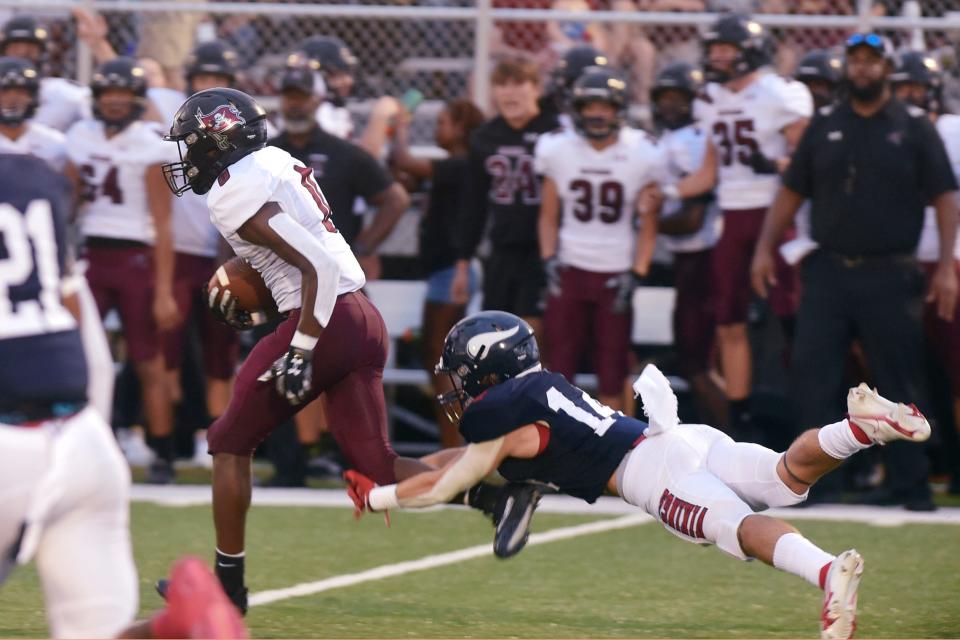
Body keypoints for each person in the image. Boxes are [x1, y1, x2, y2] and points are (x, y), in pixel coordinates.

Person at [160, 87, 538, 613]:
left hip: (327, 318)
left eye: (193, 144)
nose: (186, 157)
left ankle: (227, 588)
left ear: (219, 141)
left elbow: (317, 265)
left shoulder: (234, 189)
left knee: (228, 441)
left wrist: (300, 348)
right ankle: (499, 490)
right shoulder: (271, 162)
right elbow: (304, 262)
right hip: (360, 316)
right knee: (379, 471)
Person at [343, 310, 934, 640]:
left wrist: (381, 497)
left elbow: (449, 483)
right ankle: (859, 428)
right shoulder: (537, 396)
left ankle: (830, 572)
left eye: (461, 373)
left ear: (486, 370)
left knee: (739, 528)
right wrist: (398, 481)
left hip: (653, 474)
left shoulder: (506, 420)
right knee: (784, 476)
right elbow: (456, 467)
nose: (457, 387)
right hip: (678, 440)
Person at [0, 152, 246, 640]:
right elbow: (81, 322)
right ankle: (174, 628)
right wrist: (95, 427)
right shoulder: (29, 176)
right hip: (81, 440)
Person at [751, 33, 959, 511]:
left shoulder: (912, 126)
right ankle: (811, 482)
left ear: (886, 68)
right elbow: (791, 190)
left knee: (898, 381)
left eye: (872, 61)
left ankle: (911, 485)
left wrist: (946, 265)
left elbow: (946, 196)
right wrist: (764, 246)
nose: (862, 69)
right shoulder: (825, 124)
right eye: (855, 61)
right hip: (829, 269)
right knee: (813, 374)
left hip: (891, 270)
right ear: (846, 67)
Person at [659, 13, 812, 440]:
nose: (718, 57)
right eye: (713, 50)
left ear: (751, 51)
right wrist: (666, 193)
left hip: (777, 215)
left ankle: (810, 417)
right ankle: (742, 424)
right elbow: (709, 173)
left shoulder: (781, 94)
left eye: (726, 48)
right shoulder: (710, 98)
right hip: (731, 217)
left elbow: (809, 163)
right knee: (728, 323)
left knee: (792, 322)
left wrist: (776, 164)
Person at [66, 57, 180, 484]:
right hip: (91, 255)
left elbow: (163, 222)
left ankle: (163, 454)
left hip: (136, 258)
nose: (115, 101)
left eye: (123, 93)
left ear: (137, 98)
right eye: (107, 93)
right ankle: (85, 447)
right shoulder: (79, 134)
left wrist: (165, 289)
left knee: (149, 362)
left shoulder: (150, 141)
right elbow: (71, 201)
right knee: (79, 357)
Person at [537, 66, 662, 411]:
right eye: (589, 106)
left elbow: (650, 221)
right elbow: (548, 214)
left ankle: (623, 453)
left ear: (619, 109)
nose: (597, 114)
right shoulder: (558, 148)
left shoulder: (642, 151)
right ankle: (560, 455)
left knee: (614, 372)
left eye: (604, 106)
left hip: (615, 272)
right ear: (576, 110)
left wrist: (637, 273)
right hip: (571, 268)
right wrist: (549, 259)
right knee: (559, 374)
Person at [389, 97, 486, 447]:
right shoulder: (450, 166)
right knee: (437, 358)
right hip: (441, 271)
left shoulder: (461, 164)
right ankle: (454, 442)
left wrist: (401, 127)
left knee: (443, 359)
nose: (438, 129)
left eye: (444, 122)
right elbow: (402, 174)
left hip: (452, 271)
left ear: (461, 129)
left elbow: (404, 160)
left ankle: (456, 443)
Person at [451, 56, 561, 340]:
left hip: (547, 250)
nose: (509, 92)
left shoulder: (556, 132)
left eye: (519, 84)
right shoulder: (485, 137)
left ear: (536, 88)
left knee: (537, 331)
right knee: (497, 330)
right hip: (502, 248)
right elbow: (473, 205)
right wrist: (463, 264)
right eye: (502, 85)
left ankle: (541, 386)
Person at [891, 50, 960, 494]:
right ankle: (940, 466)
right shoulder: (888, 132)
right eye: (902, 89)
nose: (910, 97)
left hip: (948, 261)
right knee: (916, 377)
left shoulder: (951, 130)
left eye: (915, 87)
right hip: (901, 262)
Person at [649, 62, 726, 426]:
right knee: (692, 360)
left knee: (697, 363)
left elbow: (692, 217)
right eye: (664, 98)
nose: (670, 106)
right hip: (686, 262)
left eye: (678, 98)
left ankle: (735, 441)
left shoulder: (695, 140)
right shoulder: (671, 139)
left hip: (704, 259)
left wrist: (645, 225)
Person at [0, 15, 90, 132]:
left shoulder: (65, 93)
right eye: (15, 48)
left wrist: (99, 45)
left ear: (43, 53)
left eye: (30, 49)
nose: (22, 53)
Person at [0, 56, 66, 171]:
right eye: (4, 91)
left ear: (32, 97)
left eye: (20, 92)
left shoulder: (55, 143)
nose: (12, 98)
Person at [286, 35, 358, 140]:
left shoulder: (337, 110)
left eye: (347, 73)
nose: (348, 81)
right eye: (338, 75)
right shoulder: (321, 114)